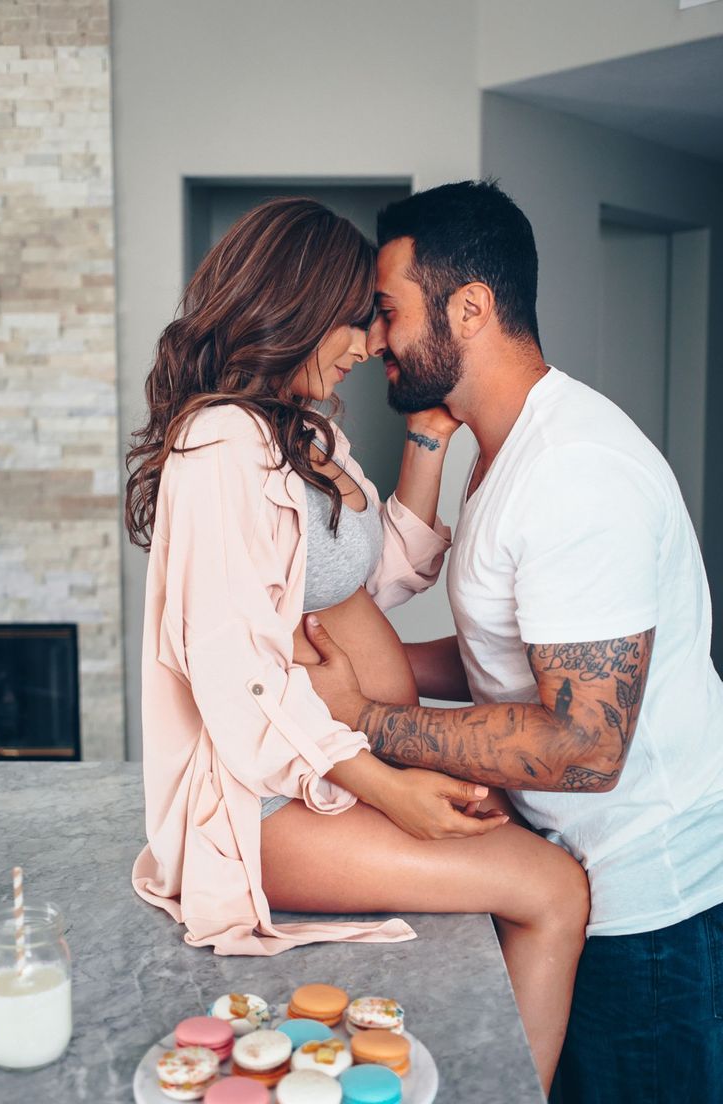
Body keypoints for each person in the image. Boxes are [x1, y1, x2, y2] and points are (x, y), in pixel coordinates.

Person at [125, 196, 589, 1094]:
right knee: (552, 890)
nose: (373, 340)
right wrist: (389, 786)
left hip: (337, 763)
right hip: (260, 802)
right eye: (357, 316)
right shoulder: (219, 443)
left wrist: (426, 443)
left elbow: (374, 582)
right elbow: (233, 679)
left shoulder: (305, 430)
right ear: (294, 309)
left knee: (521, 865)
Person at [302, 180, 723, 1104]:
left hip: (649, 913)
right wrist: (370, 671)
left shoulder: (576, 474)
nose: (374, 341)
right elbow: (515, 649)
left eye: (388, 311)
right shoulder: (506, 452)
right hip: (584, 875)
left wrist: (365, 720)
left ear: (472, 308)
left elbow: (583, 745)